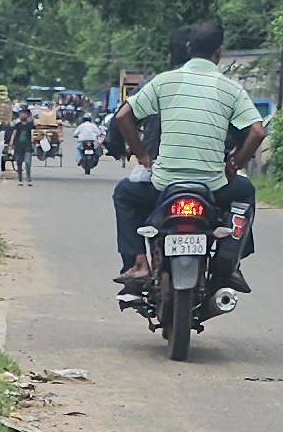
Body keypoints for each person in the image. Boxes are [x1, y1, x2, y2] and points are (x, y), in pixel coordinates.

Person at [113, 24, 267, 293]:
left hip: (163, 184)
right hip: (213, 187)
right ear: (218, 53)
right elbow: (257, 131)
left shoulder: (163, 82)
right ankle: (230, 262)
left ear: (187, 49)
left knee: (124, 194)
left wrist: (142, 155)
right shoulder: (230, 89)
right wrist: (235, 164)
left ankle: (139, 263)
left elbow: (123, 117)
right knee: (244, 194)